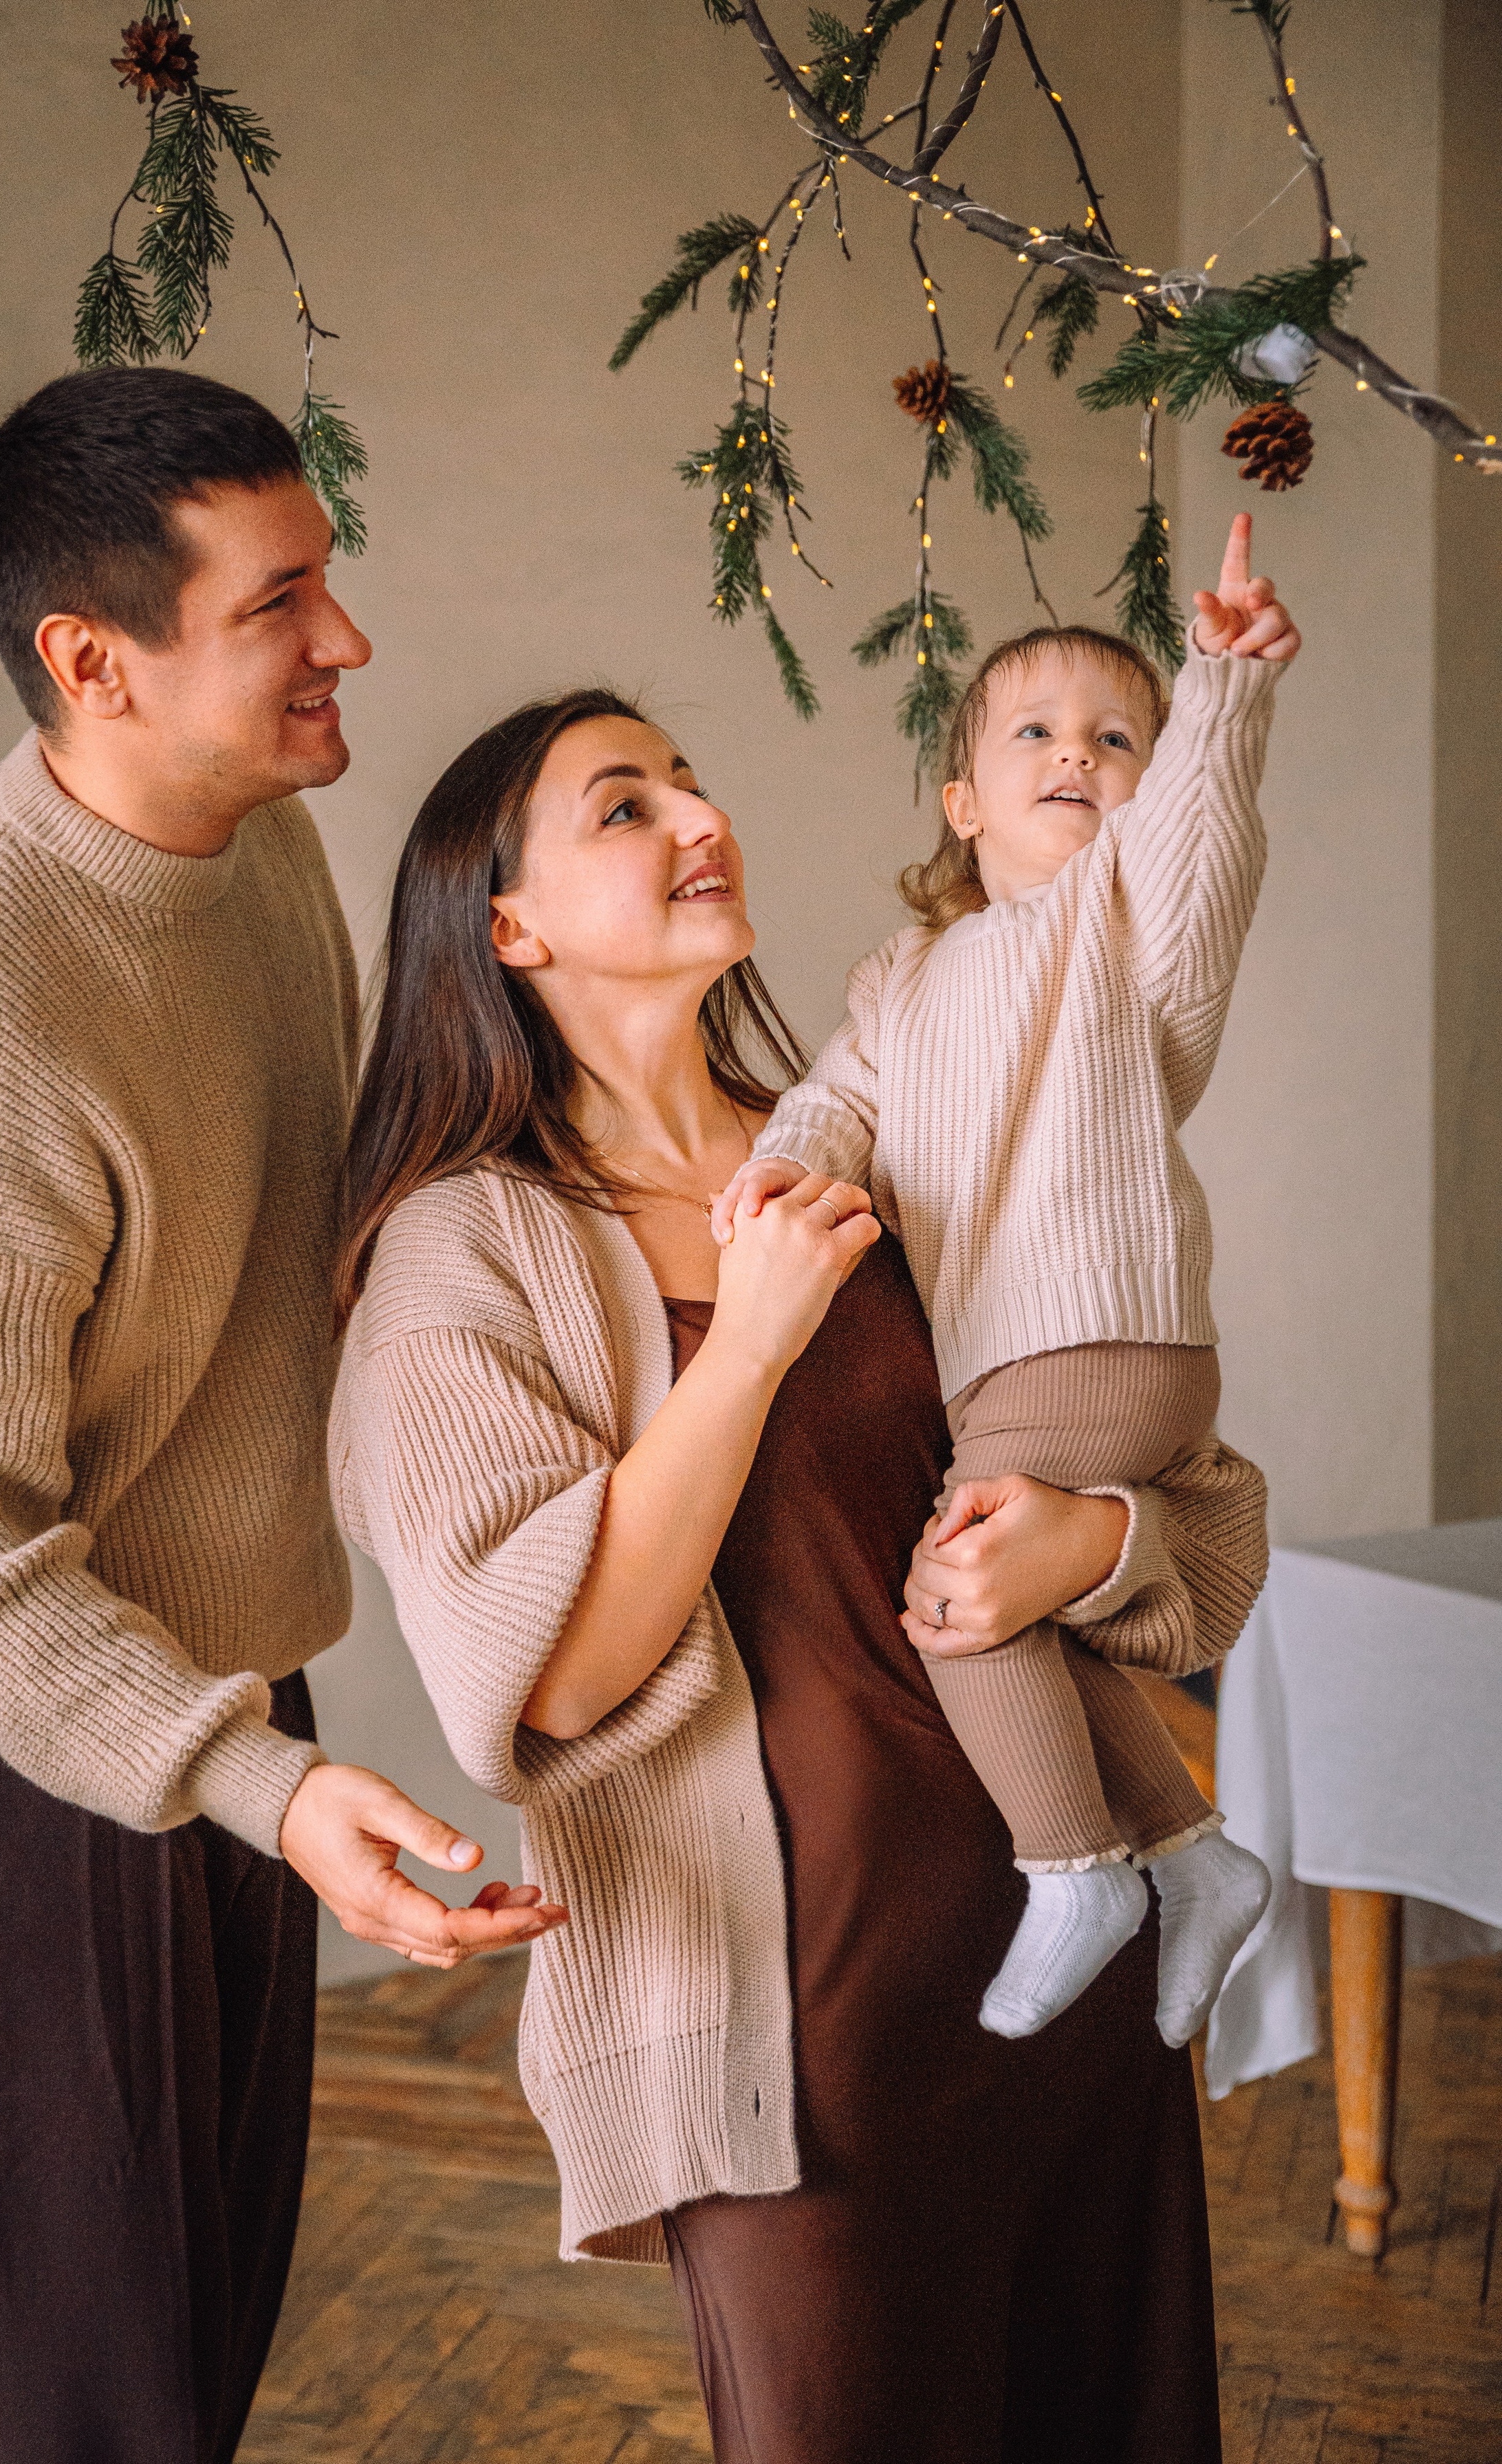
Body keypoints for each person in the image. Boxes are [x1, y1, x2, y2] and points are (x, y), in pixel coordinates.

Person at [0, 366, 561, 2464]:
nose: (346, 642)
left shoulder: (256, 850)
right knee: (69, 2414)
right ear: (93, 661)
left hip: (216, 1702)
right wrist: (261, 1787)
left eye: (328, 581)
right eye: (281, 603)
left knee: (187, 2355)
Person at [329, 684, 1269, 2461]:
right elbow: (543, 1683)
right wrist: (745, 1345)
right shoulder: (463, 1247)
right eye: (624, 805)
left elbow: (1209, 1519)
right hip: (803, 2041)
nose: (697, 815)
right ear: (506, 925)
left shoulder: (894, 1142)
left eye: (692, 776)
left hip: (1076, 1955)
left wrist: (1104, 1539)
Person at [712, 514, 1286, 2044]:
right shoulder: (902, 975)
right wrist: (788, 1160)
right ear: (960, 797)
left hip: (1094, 1327)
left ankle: (1077, 1868)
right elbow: (842, 1096)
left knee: (949, 1604)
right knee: (1015, 1607)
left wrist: (1219, 699)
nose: (1075, 754)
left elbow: (1201, 861)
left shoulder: (1121, 925)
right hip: (1025, 1355)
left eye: (1115, 737)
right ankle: (1193, 1853)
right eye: (1031, 730)